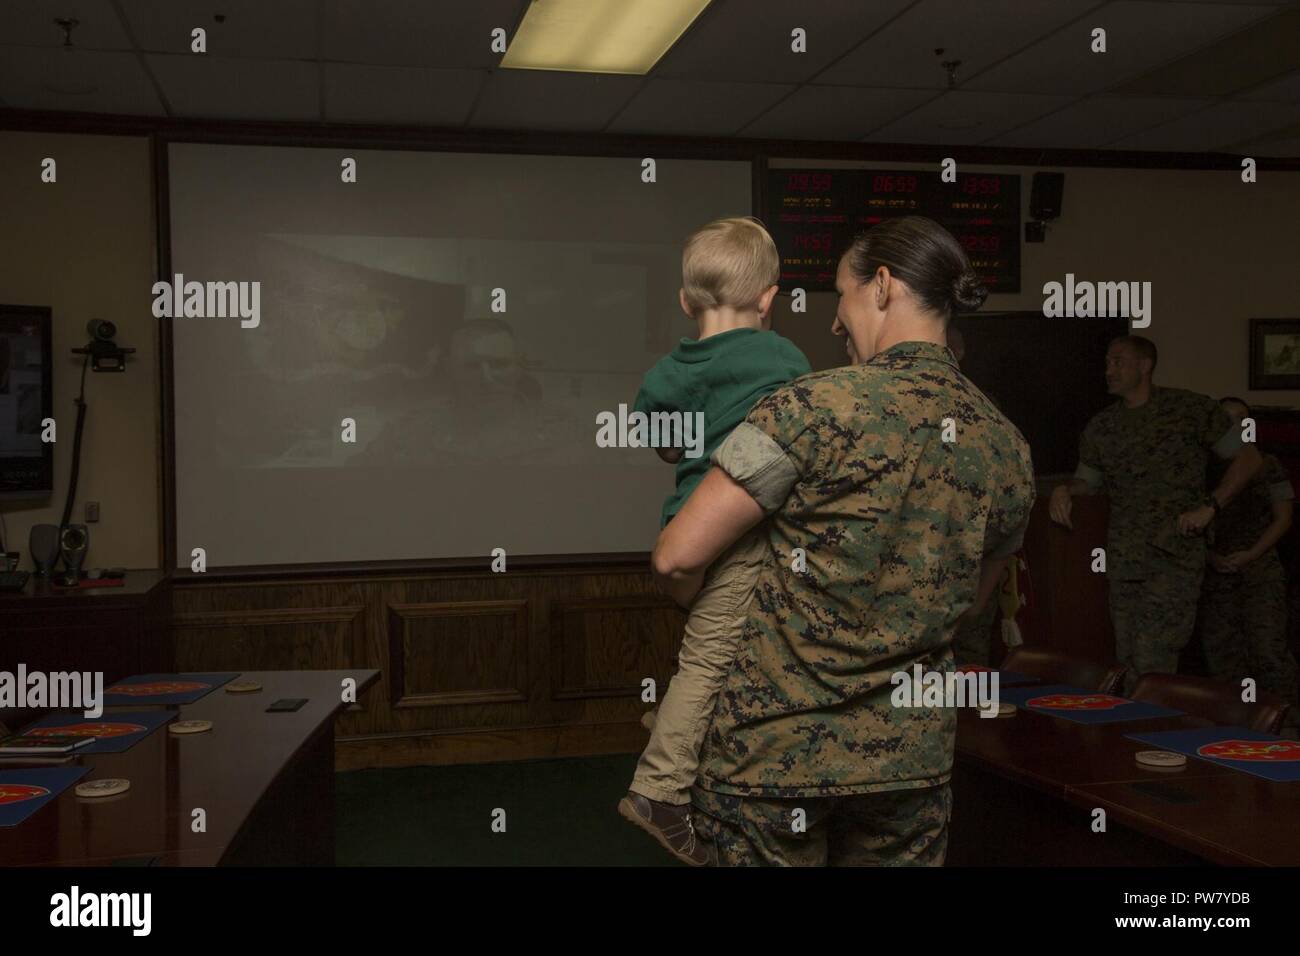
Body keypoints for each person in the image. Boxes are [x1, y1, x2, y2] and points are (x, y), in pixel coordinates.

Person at [650, 216, 1035, 865]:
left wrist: (703, 612)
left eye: (842, 295)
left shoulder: (809, 407)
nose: (835, 321)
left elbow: (678, 553)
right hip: (908, 763)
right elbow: (971, 603)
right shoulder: (1006, 445)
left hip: (771, 760)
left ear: (882, 286)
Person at [617, 217, 811, 864]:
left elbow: (667, 442)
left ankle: (677, 731)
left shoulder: (668, 371)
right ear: (768, 298)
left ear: (685, 301)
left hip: (686, 521)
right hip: (746, 529)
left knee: (709, 651)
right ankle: (659, 787)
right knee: (710, 658)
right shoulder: (783, 358)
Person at [1049, 336, 1263, 691]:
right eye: (1107, 363)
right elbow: (1087, 480)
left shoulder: (1189, 410)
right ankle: (1136, 737)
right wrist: (1065, 490)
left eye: (1118, 362)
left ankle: (1152, 736)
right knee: (1128, 657)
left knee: (1153, 656)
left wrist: (1211, 506)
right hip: (1125, 557)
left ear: (1145, 366)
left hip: (1174, 555)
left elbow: (1249, 458)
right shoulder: (1103, 426)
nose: (1109, 371)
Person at [1199, 397, 1298, 709]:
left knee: (1268, 651)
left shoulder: (1268, 464)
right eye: (1226, 420)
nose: (1234, 426)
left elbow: (1284, 518)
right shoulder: (1201, 467)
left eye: (1240, 420)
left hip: (1259, 569)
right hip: (1217, 569)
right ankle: (1233, 724)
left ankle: (1287, 723)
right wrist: (1211, 556)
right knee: (1222, 655)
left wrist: (1252, 553)